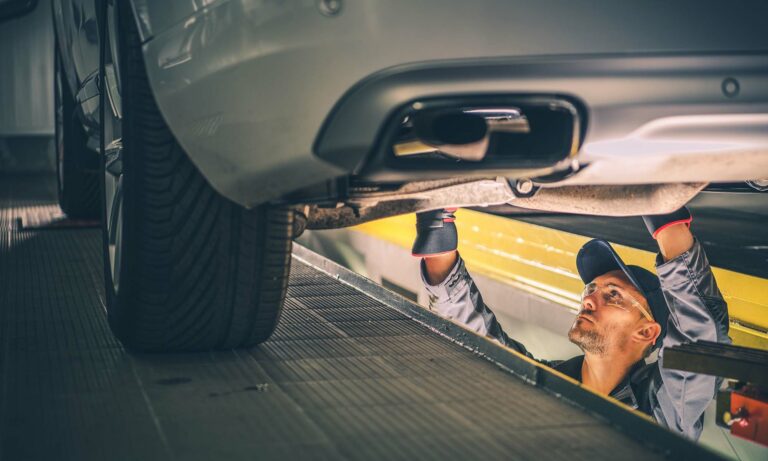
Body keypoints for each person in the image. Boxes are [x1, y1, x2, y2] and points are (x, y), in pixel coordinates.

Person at [412, 206, 730, 440]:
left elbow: (701, 342)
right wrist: (439, 229)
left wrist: (666, 217)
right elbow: (479, 341)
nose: (589, 299)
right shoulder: (549, 382)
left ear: (646, 331)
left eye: (614, 295)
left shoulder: (662, 418)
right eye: (590, 290)